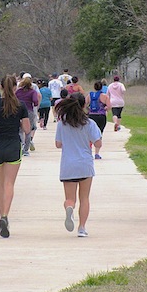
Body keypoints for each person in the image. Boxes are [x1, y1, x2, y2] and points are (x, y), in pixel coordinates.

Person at [0, 75, 30, 238]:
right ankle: (5, 216)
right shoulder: (20, 105)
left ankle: (1, 215)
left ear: (1, 87)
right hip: (12, 145)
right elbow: (27, 128)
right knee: (9, 183)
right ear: (15, 88)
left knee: (1, 183)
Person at [55, 92, 102, 237]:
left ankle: (69, 208)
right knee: (85, 198)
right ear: (84, 105)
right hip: (85, 164)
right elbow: (98, 143)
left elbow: (58, 144)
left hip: (68, 165)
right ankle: (82, 228)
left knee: (70, 198)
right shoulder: (89, 123)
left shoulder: (62, 123)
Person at [85, 81, 111, 159]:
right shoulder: (105, 96)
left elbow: (85, 104)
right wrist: (104, 108)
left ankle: (89, 151)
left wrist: (88, 110)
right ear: (101, 87)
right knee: (99, 133)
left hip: (91, 116)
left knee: (89, 134)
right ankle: (97, 153)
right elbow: (109, 106)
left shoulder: (90, 95)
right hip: (101, 117)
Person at [15, 76, 39, 156]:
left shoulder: (18, 92)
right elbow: (35, 102)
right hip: (29, 111)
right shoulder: (32, 92)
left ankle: (21, 143)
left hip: (18, 110)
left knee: (19, 129)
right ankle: (25, 150)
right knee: (28, 131)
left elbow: (14, 99)